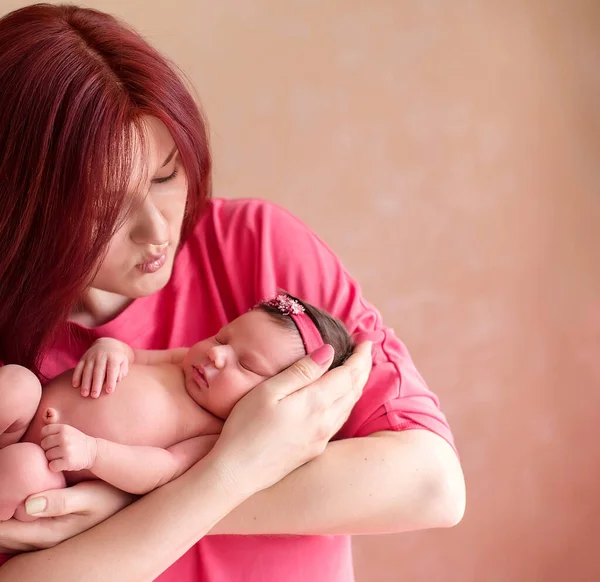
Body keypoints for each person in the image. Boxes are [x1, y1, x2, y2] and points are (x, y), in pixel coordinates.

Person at [0, 4, 465, 582]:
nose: (158, 231)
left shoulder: (257, 249)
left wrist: (140, 503)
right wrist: (233, 470)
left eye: (166, 175)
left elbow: (431, 484)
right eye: (104, 209)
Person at [0, 294, 355, 508]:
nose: (217, 355)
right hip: (26, 413)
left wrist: (93, 452)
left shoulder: (216, 435)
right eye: (221, 338)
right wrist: (109, 349)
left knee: (24, 468)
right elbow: (132, 355)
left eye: (245, 364)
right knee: (18, 382)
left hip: (52, 465)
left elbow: (160, 470)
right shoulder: (186, 362)